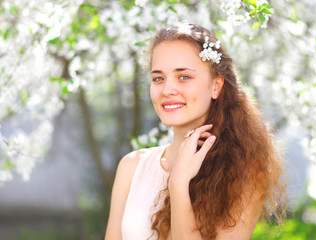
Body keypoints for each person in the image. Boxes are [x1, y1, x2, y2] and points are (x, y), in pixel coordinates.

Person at [105, 23, 287, 240]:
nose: (168, 90)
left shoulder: (244, 173)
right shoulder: (132, 166)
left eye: (184, 77)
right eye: (158, 78)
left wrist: (179, 183)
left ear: (216, 86)